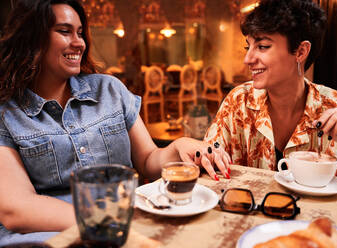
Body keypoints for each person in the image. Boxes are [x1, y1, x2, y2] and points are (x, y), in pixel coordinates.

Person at [0, 0, 230, 244]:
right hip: (49, 237)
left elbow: (148, 160)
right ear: (33, 38)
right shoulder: (7, 113)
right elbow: (17, 209)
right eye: (65, 31)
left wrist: (179, 146)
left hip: (126, 229)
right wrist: (111, 219)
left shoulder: (110, 90)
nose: (79, 42)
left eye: (80, 33)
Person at [204, 0, 337, 186]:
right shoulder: (239, 101)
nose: (248, 59)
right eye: (248, 46)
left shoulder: (333, 105)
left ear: (300, 51)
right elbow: (208, 161)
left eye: (262, 46)